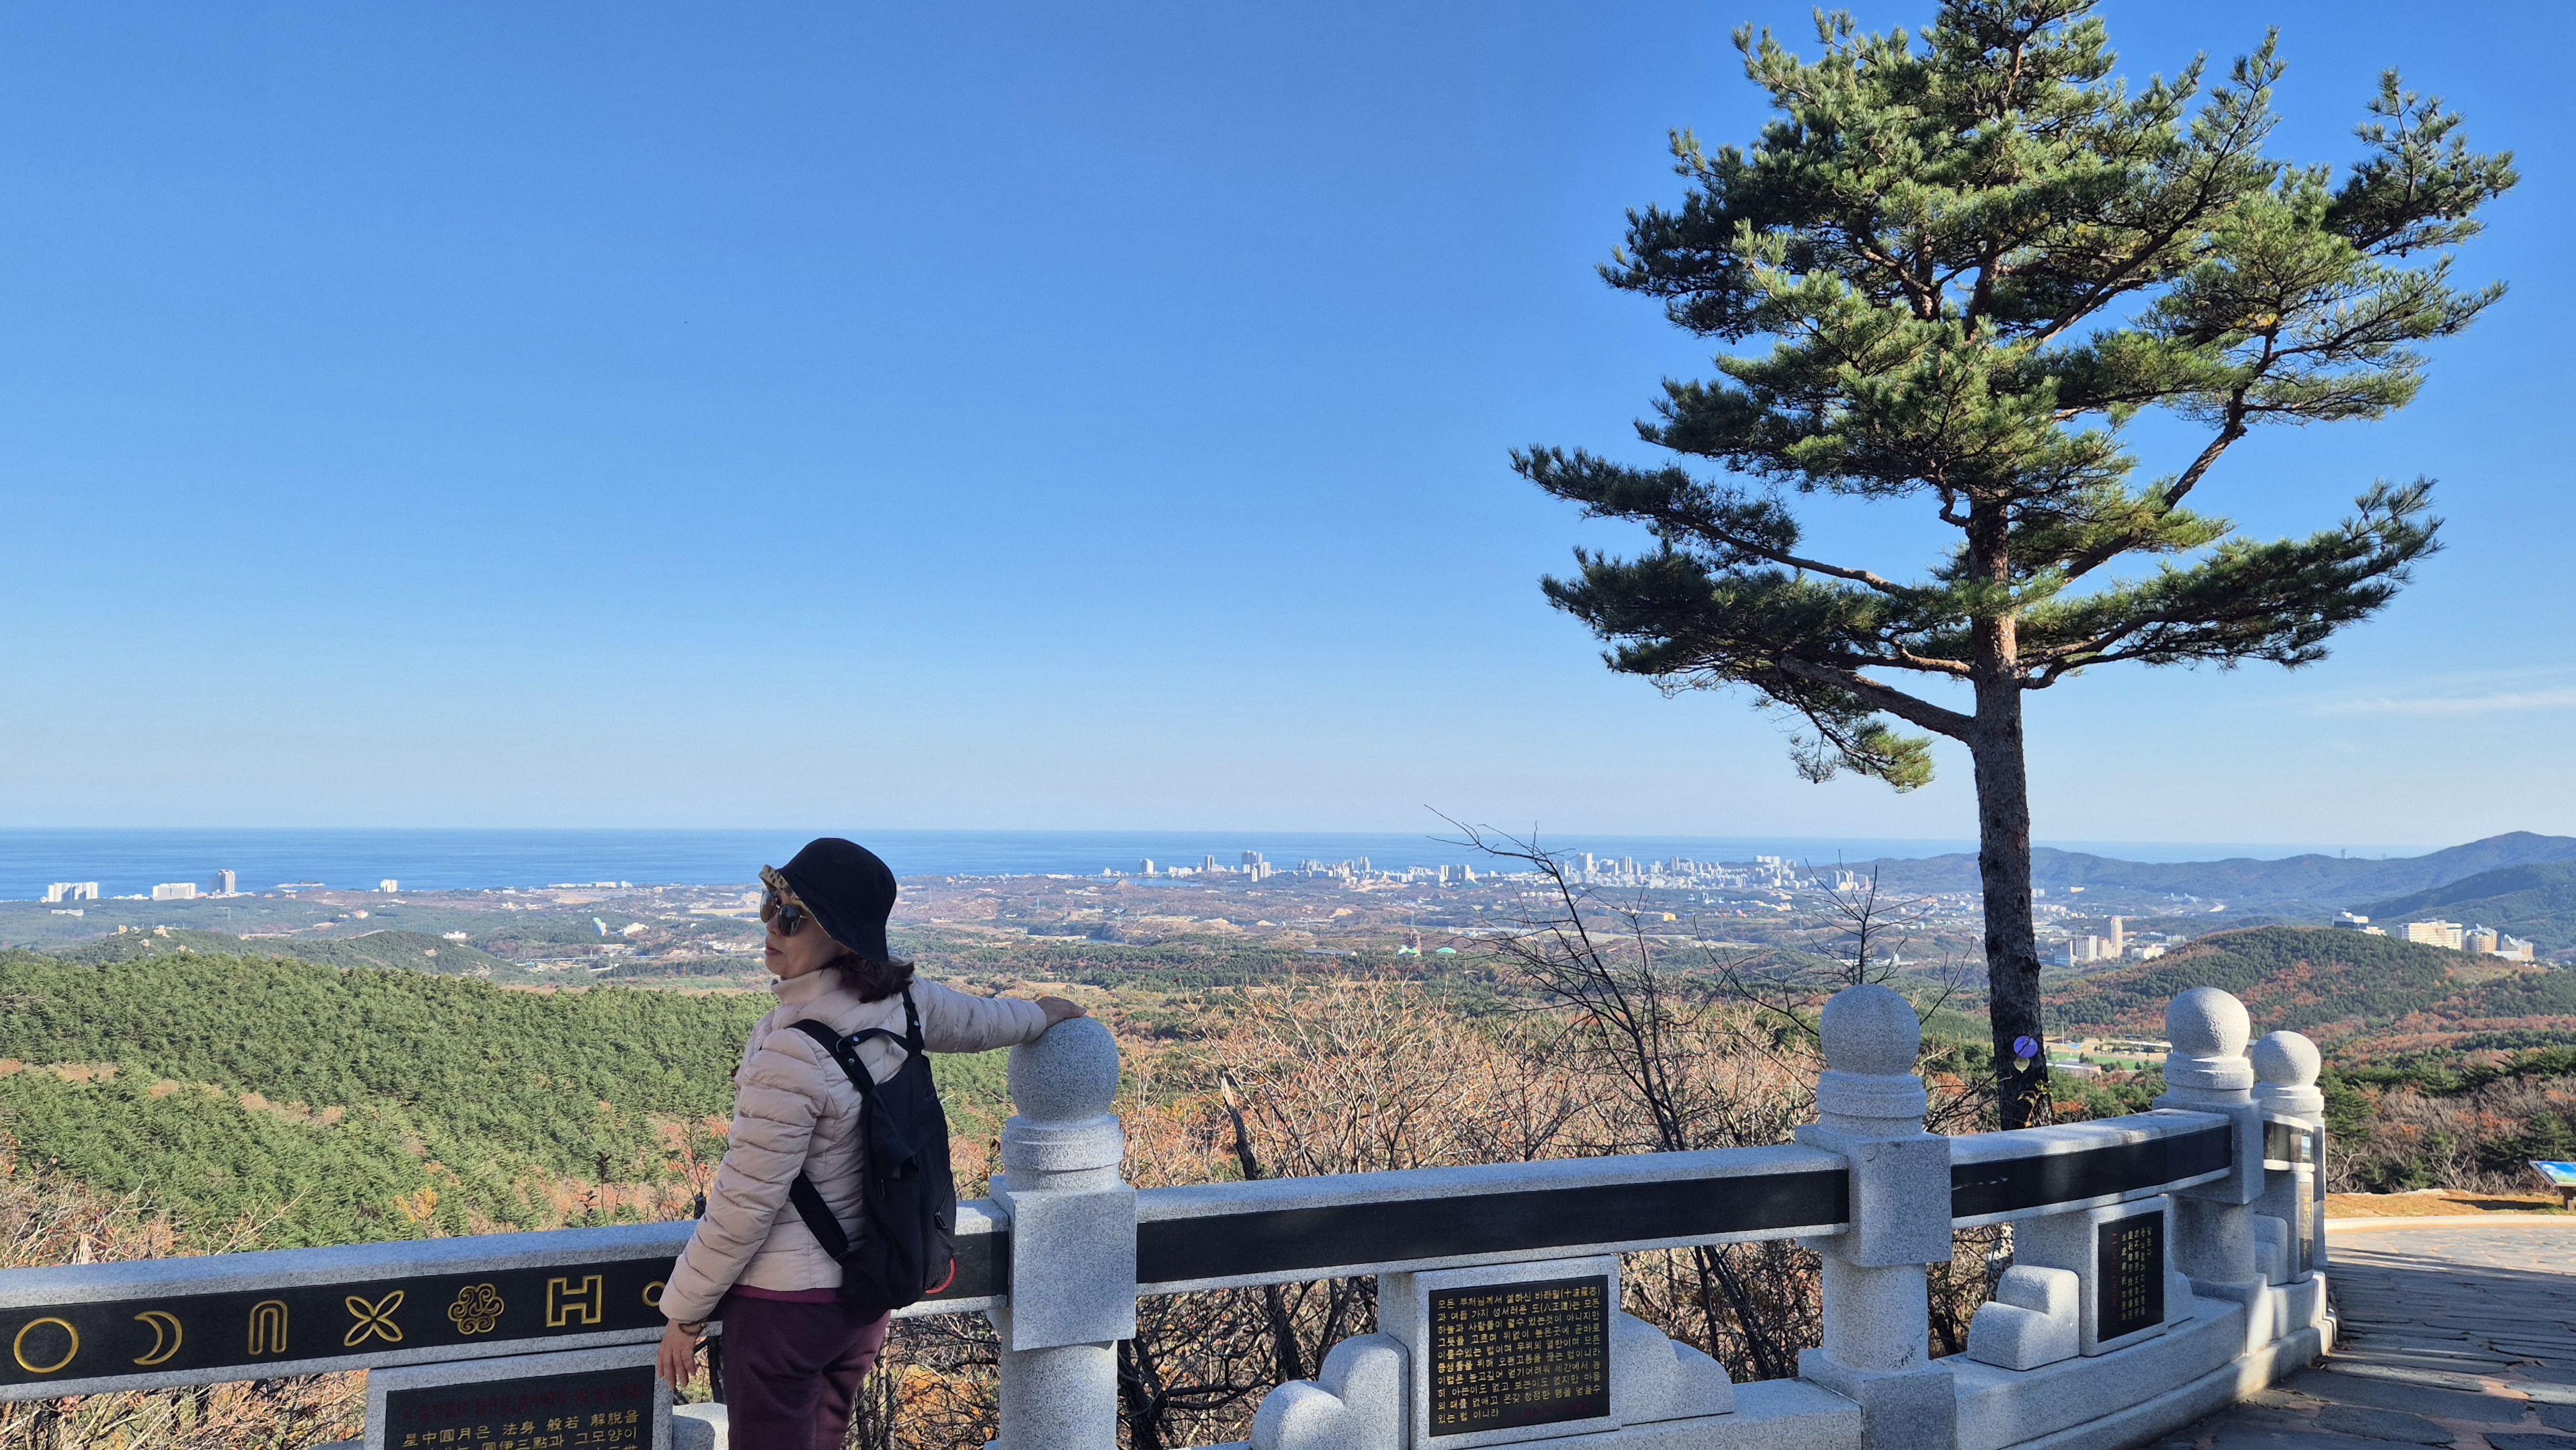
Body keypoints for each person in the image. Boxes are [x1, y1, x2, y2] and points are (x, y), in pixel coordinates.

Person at [655, 838, 1084, 1447]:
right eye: (770, 905)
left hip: (784, 1310)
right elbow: (981, 1021)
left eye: (793, 916)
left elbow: (743, 1205)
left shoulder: (791, 1053)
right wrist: (1041, 1015)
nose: (772, 925)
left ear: (842, 935)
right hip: (864, 1297)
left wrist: (685, 1313)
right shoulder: (904, 1002)